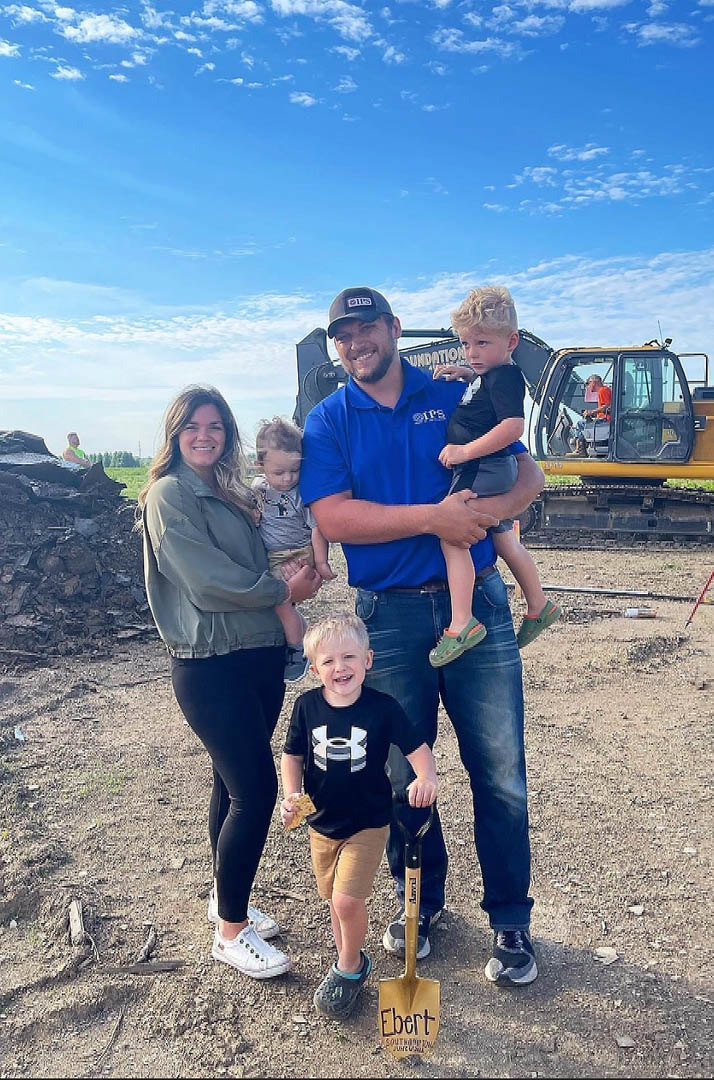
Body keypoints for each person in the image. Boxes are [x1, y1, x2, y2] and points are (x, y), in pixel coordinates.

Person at [300, 286, 544, 986]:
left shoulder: (452, 391)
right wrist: (433, 520)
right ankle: (422, 905)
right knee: (403, 773)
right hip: (390, 616)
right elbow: (337, 518)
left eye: (367, 328)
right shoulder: (330, 419)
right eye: (343, 335)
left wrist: (483, 512)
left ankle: (511, 919)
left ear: (394, 329)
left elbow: (526, 472)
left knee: (500, 771)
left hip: (478, 607)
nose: (356, 344)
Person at [138, 385, 322, 979]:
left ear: (228, 435)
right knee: (255, 790)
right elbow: (207, 580)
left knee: (228, 783)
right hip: (209, 661)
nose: (204, 435)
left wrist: (301, 574)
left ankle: (226, 899)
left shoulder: (238, 493)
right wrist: (284, 592)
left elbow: (276, 549)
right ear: (174, 432)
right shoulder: (170, 496)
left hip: (261, 654)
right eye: (193, 425)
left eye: (215, 426)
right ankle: (230, 933)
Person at [280, 613, 438, 1019]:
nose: (340, 668)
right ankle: (348, 957)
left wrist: (426, 777)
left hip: (369, 821)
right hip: (321, 823)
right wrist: (292, 794)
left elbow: (417, 746)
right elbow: (292, 756)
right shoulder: (306, 707)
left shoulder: (382, 709)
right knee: (334, 901)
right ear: (314, 669)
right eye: (329, 661)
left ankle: (349, 967)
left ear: (368, 659)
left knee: (348, 899)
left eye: (349, 657)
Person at [430, 286, 561, 659]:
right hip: (493, 468)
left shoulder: (505, 377)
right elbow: (486, 390)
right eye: (466, 344)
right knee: (503, 535)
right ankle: (538, 604)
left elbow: (512, 427)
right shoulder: (491, 375)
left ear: (512, 341)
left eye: (482, 343)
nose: (472, 352)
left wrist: (463, 451)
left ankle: (461, 622)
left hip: (481, 467)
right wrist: (467, 374)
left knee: (451, 533)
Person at [253, 417, 336, 683]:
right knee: (284, 603)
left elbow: (317, 529)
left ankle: (296, 649)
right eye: (279, 472)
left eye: (294, 470)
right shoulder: (258, 489)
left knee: (279, 600)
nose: (288, 478)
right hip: (273, 555)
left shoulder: (302, 494)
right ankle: (301, 633)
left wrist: (321, 564)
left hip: (298, 553)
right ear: (260, 465)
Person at [568, 374, 612, 456]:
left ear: (594, 382)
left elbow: (606, 406)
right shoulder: (605, 390)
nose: (588, 387)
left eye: (588, 384)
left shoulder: (603, 390)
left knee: (580, 424)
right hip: (605, 420)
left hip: (605, 421)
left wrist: (591, 412)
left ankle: (580, 449)